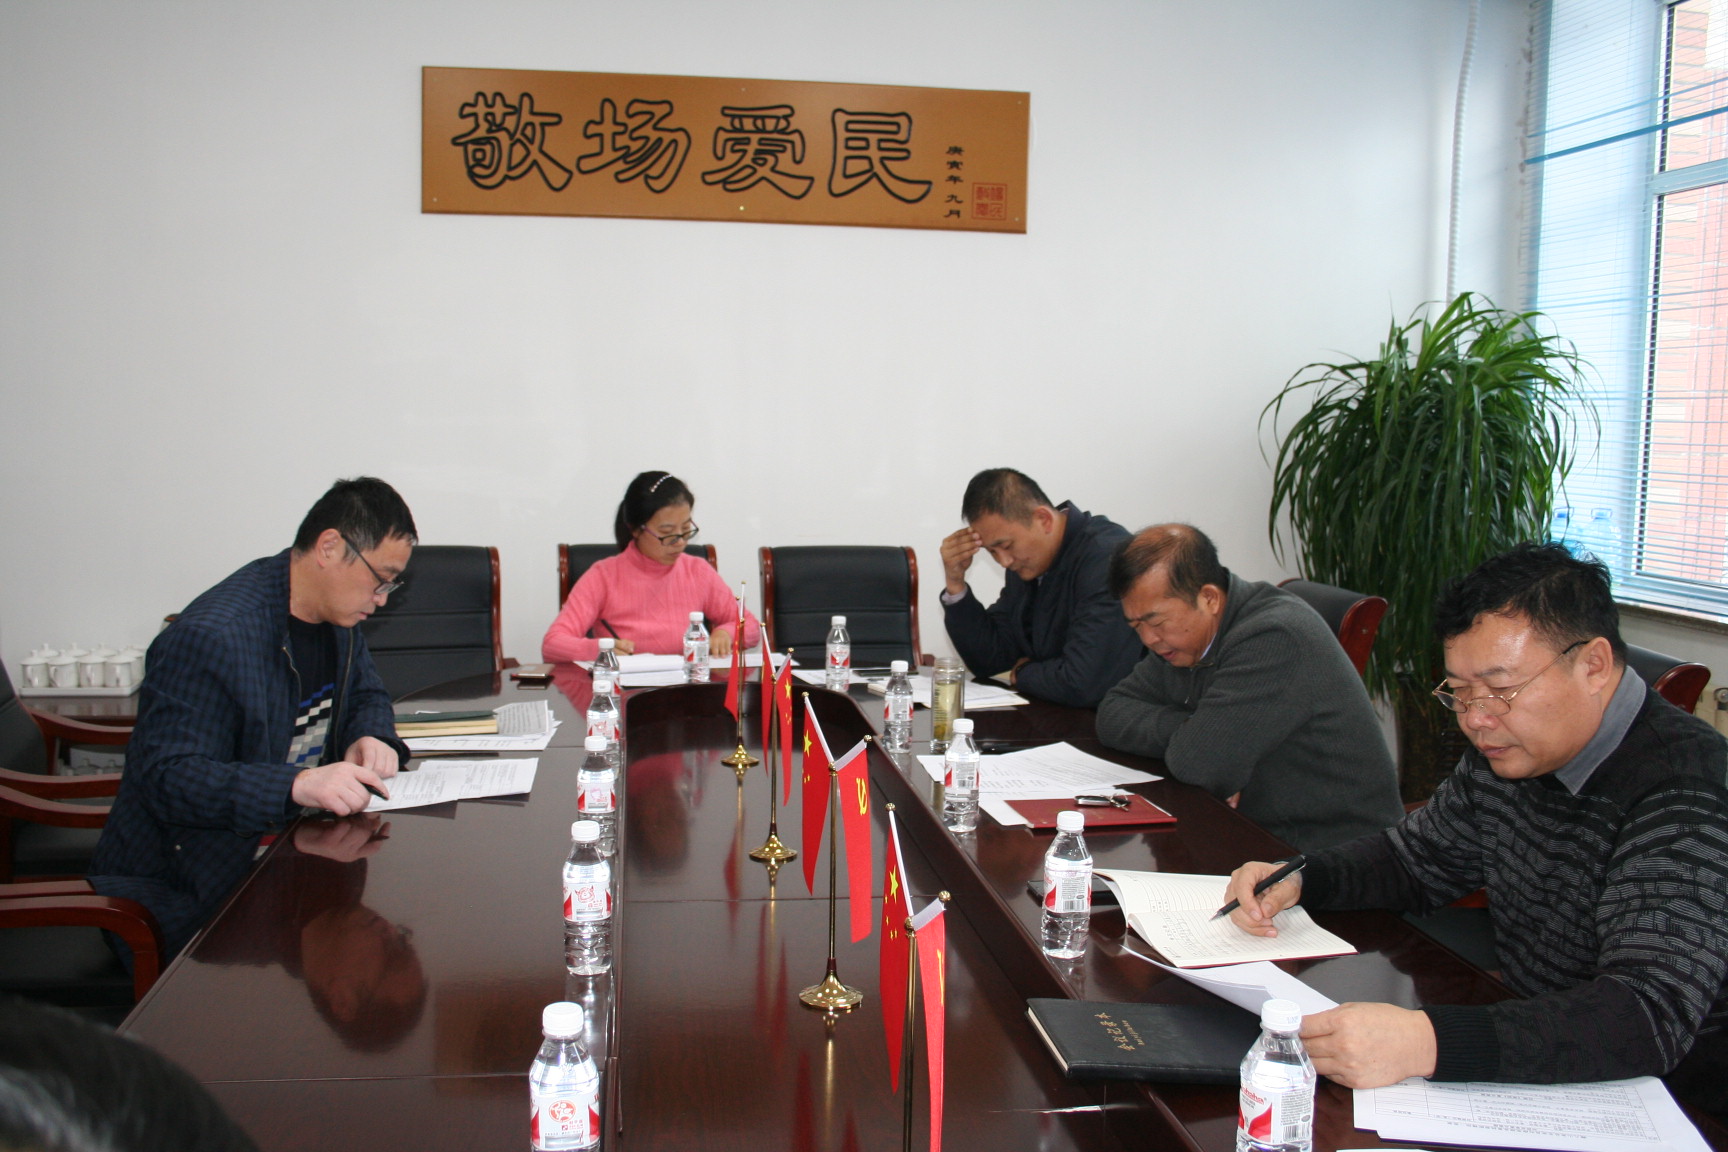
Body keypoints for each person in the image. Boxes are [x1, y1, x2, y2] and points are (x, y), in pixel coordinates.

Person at [1223, 543, 1728, 1110]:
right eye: (1460, 692)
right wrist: (1301, 877)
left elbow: (1648, 1015)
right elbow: (1415, 861)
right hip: (1538, 1055)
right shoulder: (1513, 749)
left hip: (1671, 1103)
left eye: (1500, 689)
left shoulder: (1685, 790)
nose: (1476, 719)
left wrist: (1426, 1042)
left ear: (1593, 665)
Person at [90, 477, 415, 960]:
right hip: (196, 897)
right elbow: (168, 778)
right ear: (329, 547)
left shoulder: (336, 616)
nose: (383, 597)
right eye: (380, 579)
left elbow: (366, 692)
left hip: (296, 855)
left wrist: (372, 734)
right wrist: (296, 785)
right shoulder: (212, 636)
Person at [1096, 524, 1401, 852]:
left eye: (1156, 622)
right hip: (1251, 831)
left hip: (1333, 853)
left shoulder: (1273, 636)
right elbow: (1112, 713)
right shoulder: (1181, 643)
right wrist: (1196, 728)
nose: (1148, 639)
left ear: (1209, 598)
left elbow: (1198, 766)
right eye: (1136, 625)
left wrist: (1205, 738)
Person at [938, 468, 1142, 707]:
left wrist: (1023, 672)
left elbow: (1084, 682)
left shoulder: (1107, 559)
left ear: (1043, 519)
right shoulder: (1026, 564)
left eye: (1006, 546)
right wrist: (955, 584)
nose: (1004, 561)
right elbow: (992, 661)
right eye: (992, 551)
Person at [542, 470, 759, 663]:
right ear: (635, 529)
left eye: (685, 529)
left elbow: (751, 627)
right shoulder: (603, 576)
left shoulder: (697, 571)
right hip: (627, 691)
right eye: (666, 533)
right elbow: (553, 644)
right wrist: (598, 649)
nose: (680, 542)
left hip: (687, 689)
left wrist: (727, 633)